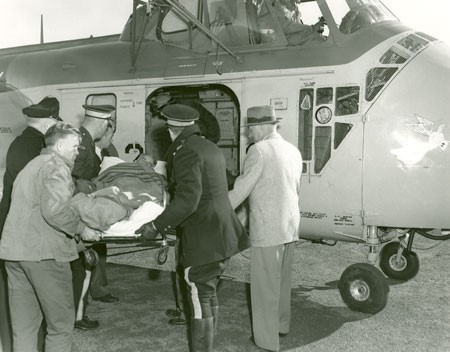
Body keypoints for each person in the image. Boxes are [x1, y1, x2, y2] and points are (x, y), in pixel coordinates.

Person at [135, 104, 249, 352]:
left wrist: (156, 225)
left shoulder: (186, 152)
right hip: (221, 232)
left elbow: (188, 200)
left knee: (198, 296)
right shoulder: (208, 146)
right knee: (207, 294)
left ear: (171, 129)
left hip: (203, 236)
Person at [0, 122, 100, 352]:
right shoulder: (56, 167)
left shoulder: (31, 166)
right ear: (61, 145)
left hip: (15, 255)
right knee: (61, 327)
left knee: (24, 329)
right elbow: (55, 210)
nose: (78, 152)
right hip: (45, 256)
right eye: (75, 147)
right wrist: (82, 229)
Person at [228, 106, 302, 352]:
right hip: (289, 227)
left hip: (268, 229)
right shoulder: (292, 150)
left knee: (264, 288)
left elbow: (241, 190)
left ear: (258, 128)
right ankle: (282, 325)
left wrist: (214, 209)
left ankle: (266, 341)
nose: (249, 135)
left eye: (249, 129)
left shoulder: (258, 151)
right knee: (281, 283)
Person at [0, 96, 61, 352]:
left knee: (13, 299)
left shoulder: (18, 142)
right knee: (39, 301)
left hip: (8, 225)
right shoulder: (39, 148)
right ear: (49, 122)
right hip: (28, 232)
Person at [71, 104, 118, 331]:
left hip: (85, 208)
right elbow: (73, 182)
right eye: (106, 127)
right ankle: (75, 316)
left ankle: (79, 312)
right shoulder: (81, 145)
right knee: (79, 268)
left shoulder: (86, 141)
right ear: (102, 124)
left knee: (83, 267)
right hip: (79, 212)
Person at [258, 0, 326, 46]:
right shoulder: (274, 3)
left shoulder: (292, 6)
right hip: (276, 41)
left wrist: (316, 27)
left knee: (319, 37)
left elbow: (298, 26)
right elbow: (285, 27)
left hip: (286, 37)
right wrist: (311, 28)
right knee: (317, 40)